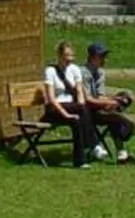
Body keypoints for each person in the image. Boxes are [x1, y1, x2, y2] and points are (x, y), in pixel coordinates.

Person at [80, 39, 135, 164]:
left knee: (120, 100)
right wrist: (111, 103)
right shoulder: (83, 73)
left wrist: (115, 100)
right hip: (85, 111)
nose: (105, 59)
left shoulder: (100, 72)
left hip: (98, 108)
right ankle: (121, 145)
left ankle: (122, 151)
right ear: (94, 57)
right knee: (113, 112)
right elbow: (87, 100)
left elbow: (100, 96)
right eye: (103, 56)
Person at [41, 39, 97, 168]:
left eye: (72, 55)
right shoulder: (50, 71)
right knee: (80, 111)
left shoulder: (75, 70)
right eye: (67, 55)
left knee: (78, 120)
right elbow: (51, 98)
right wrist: (66, 114)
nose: (70, 59)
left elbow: (79, 92)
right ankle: (93, 144)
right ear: (59, 56)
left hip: (73, 107)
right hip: (55, 109)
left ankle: (80, 161)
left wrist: (81, 107)